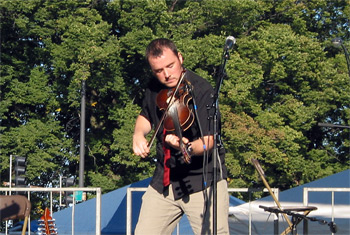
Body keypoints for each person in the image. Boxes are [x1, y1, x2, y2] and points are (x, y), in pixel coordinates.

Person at [132, 38, 229, 234]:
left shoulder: (202, 90)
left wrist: (186, 148)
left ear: (180, 58)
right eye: (159, 71)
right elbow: (146, 116)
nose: (166, 75)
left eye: (170, 66)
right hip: (165, 180)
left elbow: (210, 139)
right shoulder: (153, 88)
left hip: (202, 180)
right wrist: (138, 134)